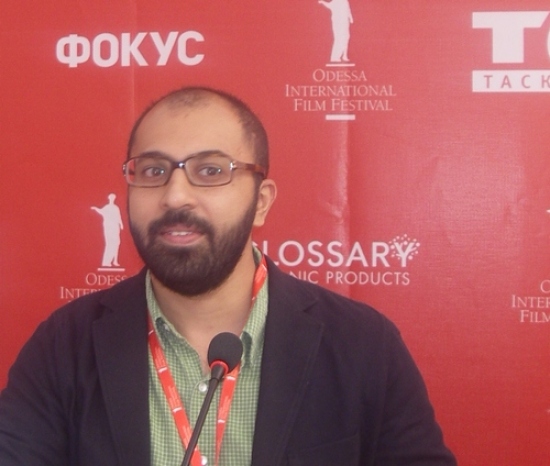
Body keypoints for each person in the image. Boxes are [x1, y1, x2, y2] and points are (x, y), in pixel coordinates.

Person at [0, 86, 457, 466]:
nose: (175, 196)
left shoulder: (363, 345)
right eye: (154, 171)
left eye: (211, 171)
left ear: (261, 202)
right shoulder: (64, 346)